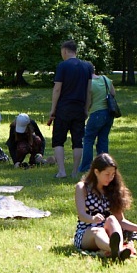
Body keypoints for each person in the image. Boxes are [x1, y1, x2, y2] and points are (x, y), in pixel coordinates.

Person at [74, 153, 137, 260]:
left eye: (113, 174)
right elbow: (82, 215)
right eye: (107, 174)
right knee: (98, 231)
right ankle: (115, 249)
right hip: (86, 233)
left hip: (107, 232)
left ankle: (117, 249)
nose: (110, 178)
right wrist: (92, 219)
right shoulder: (82, 187)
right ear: (96, 172)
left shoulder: (111, 189)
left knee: (111, 219)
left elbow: (121, 220)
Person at [49, 40, 92, 178]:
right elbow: (89, 91)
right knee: (77, 141)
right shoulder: (87, 67)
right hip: (79, 107)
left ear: (65, 51)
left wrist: (53, 109)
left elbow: (57, 89)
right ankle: (74, 172)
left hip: (63, 108)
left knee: (58, 140)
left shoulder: (63, 66)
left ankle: (62, 171)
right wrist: (86, 108)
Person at [78, 62, 117, 173]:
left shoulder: (89, 84)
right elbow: (113, 93)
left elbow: (89, 101)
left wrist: (85, 111)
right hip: (109, 113)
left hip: (97, 114)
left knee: (88, 139)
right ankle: (105, 165)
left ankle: (86, 166)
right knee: (103, 139)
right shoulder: (105, 79)